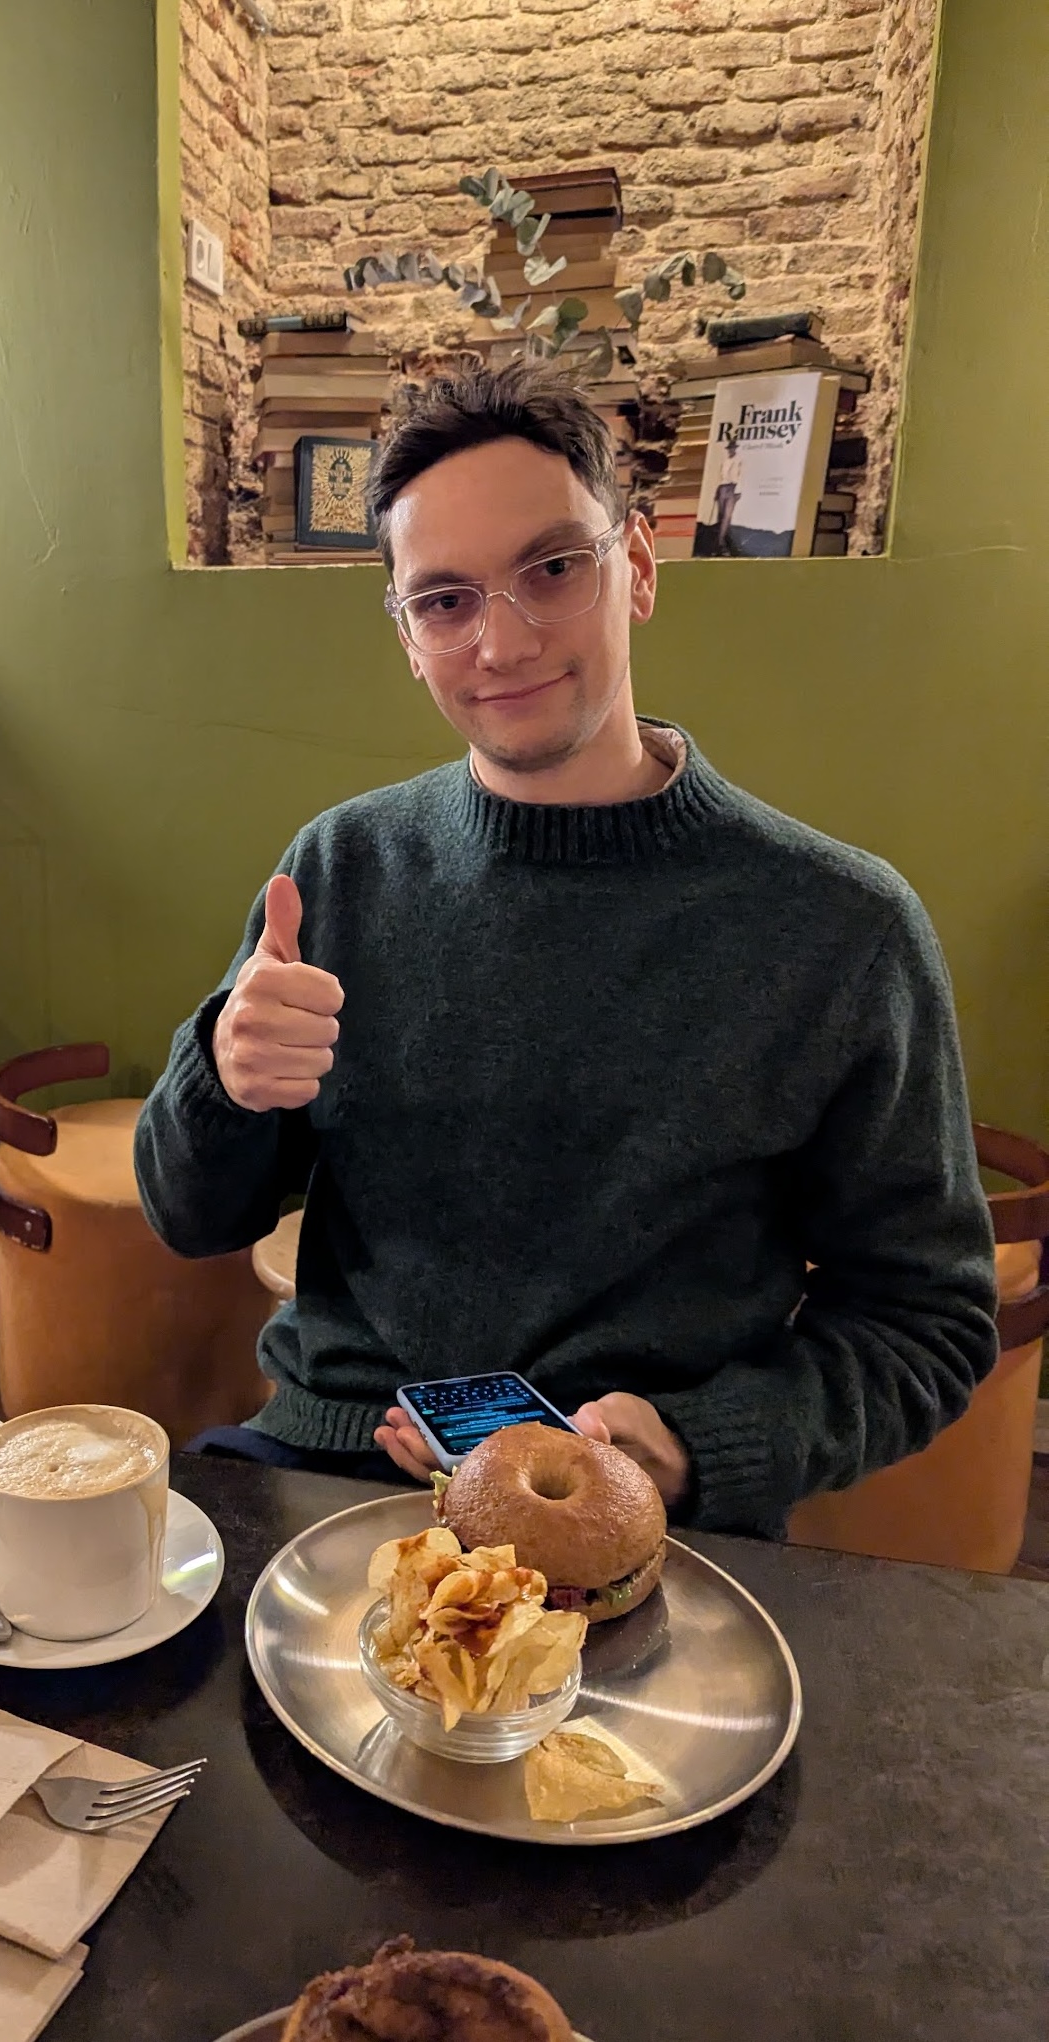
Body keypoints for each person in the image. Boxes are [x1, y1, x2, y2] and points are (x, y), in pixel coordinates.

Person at [134, 359, 997, 1535]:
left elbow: (929, 1319)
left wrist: (699, 1444)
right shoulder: (340, 866)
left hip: (645, 1516)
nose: (501, 641)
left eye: (551, 569)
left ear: (636, 566)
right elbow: (189, 1216)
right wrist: (226, 1077)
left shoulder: (845, 927)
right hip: (341, 1465)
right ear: (408, 635)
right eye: (445, 600)